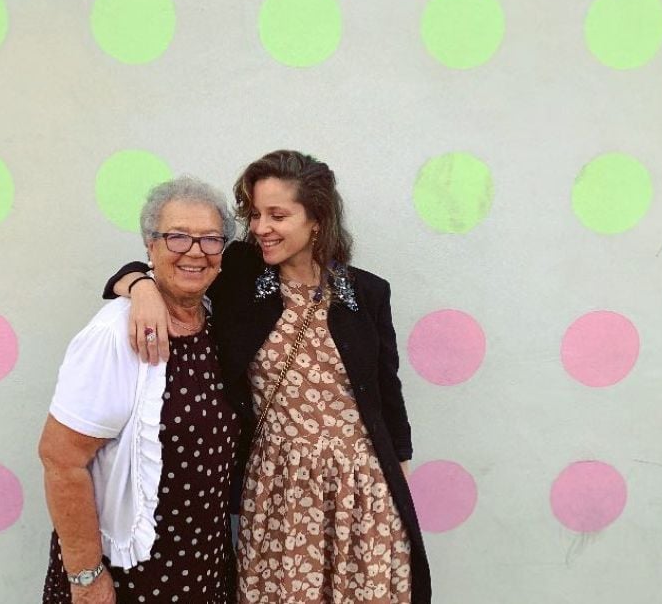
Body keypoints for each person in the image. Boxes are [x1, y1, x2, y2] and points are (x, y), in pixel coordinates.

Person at [104, 151, 431, 603]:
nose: (260, 228)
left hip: (362, 491)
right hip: (278, 490)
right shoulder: (240, 273)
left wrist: (400, 490)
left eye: (277, 215)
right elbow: (156, 268)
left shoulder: (367, 292)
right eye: (255, 214)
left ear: (317, 220)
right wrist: (140, 288)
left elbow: (388, 395)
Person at [39, 177, 241, 604]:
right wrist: (87, 578)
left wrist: (137, 281)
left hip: (203, 568)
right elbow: (61, 460)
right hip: (129, 577)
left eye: (210, 239)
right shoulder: (115, 334)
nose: (195, 251)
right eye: (177, 237)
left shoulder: (215, 318)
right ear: (150, 245)